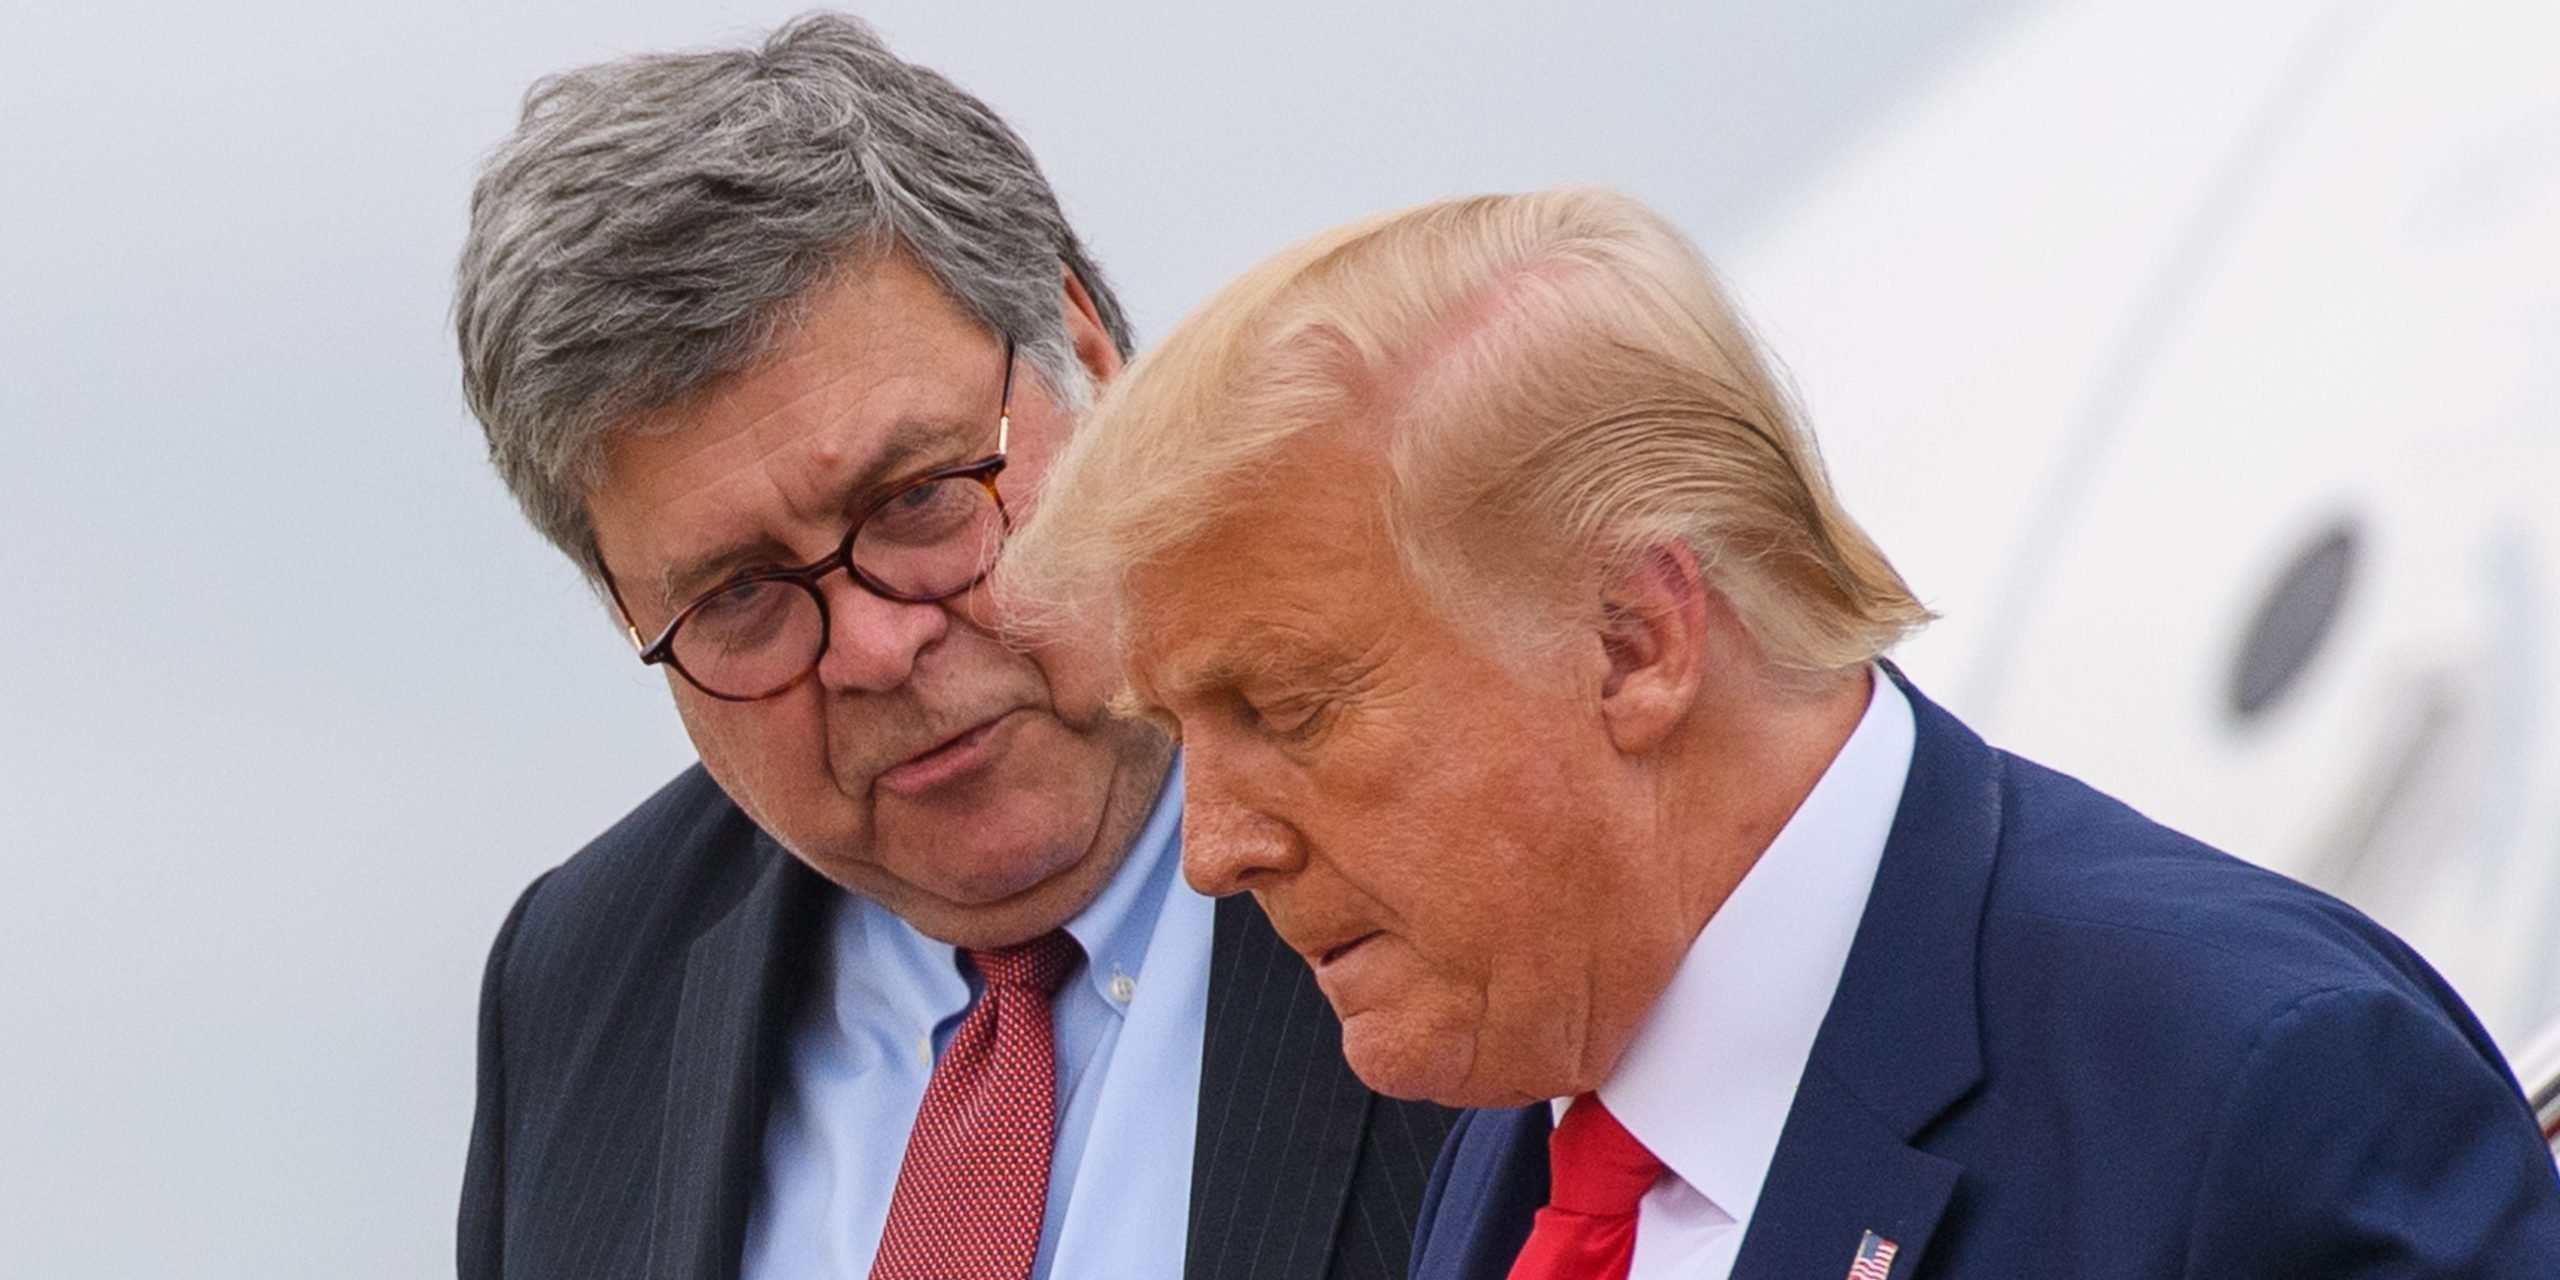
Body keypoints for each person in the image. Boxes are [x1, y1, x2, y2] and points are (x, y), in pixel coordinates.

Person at [995, 187, 2560, 1279]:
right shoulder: (1529, 1115)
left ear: (1638, 640)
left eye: (1287, 709)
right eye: (1182, 729)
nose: (1213, 850)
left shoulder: (2244, 1095)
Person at [450, 15, 1451, 1280]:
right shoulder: (585, 977)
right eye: (744, 592)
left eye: (920, 498)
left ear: (1087, 361)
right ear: (626, 610)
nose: (871, 644)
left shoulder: (1449, 814)